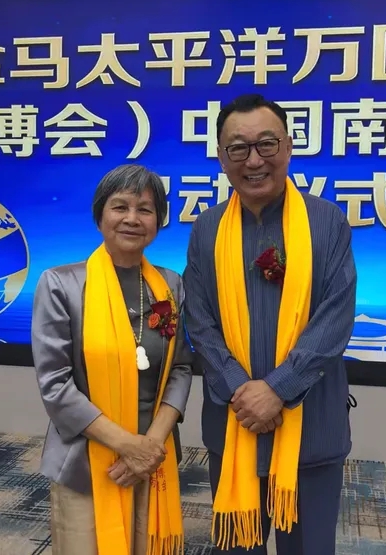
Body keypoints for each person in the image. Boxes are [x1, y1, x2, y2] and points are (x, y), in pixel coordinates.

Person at [183, 94, 357, 554]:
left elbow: (335, 318)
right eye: (238, 148)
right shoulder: (207, 228)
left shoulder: (327, 222)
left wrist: (277, 389)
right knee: (237, 548)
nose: (254, 160)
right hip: (234, 422)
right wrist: (243, 391)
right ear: (222, 158)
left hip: (312, 428)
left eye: (267, 143)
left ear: (289, 146)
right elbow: (199, 321)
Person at [31, 164, 193, 555]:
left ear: (158, 221)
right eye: (120, 207)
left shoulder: (170, 284)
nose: (132, 219)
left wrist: (150, 445)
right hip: (86, 459)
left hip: (153, 457)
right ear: (100, 215)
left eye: (145, 209)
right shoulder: (62, 284)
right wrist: (126, 445)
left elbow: (181, 368)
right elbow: (56, 385)